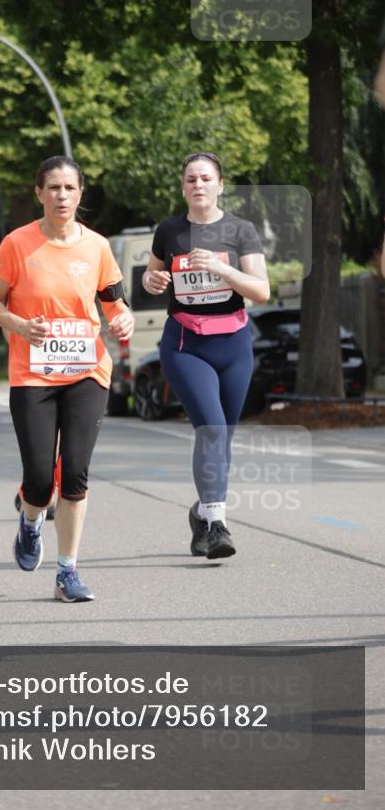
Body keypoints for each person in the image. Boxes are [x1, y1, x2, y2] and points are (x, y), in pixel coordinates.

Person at [0, 156, 134, 602]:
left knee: (76, 474)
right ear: (39, 193)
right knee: (38, 479)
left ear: (80, 193)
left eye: (69, 188)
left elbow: (115, 304)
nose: (61, 196)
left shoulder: (98, 247)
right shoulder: (16, 244)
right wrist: (19, 325)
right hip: (33, 373)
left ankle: (67, 571)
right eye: (53, 187)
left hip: (87, 369)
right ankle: (30, 522)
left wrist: (122, 321)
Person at [143, 152, 270, 560]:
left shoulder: (241, 230)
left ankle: (201, 512)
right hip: (186, 343)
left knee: (224, 436)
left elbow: (261, 290)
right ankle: (217, 524)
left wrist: (222, 270)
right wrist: (152, 278)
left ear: (219, 185)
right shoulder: (169, 231)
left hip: (233, 343)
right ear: (183, 186)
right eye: (191, 179)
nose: (198, 184)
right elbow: (150, 277)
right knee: (211, 428)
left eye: (206, 178)